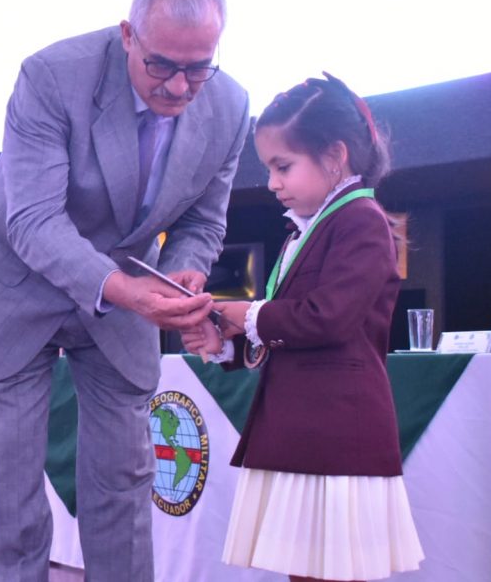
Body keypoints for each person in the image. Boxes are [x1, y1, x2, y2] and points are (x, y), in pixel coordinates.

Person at [0, 0, 251, 581]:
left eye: (198, 68)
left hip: (125, 297)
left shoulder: (230, 106)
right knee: (16, 487)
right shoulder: (52, 77)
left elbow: (203, 221)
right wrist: (126, 291)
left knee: (125, 477)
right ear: (128, 35)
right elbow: (34, 221)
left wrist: (182, 275)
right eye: (162, 65)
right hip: (13, 288)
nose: (179, 87)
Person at [182, 74, 424, 581]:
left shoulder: (361, 219)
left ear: (335, 156)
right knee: (304, 571)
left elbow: (327, 318)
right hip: (302, 427)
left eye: (283, 166)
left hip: (337, 431)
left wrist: (245, 315)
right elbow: (290, 332)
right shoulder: (310, 227)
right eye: (270, 169)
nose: (272, 183)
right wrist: (226, 339)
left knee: (329, 573)